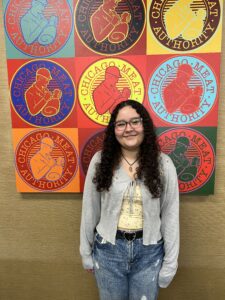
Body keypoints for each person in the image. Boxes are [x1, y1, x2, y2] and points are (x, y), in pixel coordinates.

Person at [80, 100, 179, 300]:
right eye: (121, 124)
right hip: (108, 251)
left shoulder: (164, 165)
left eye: (135, 121)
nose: (129, 129)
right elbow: (90, 209)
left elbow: (170, 214)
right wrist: (85, 251)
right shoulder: (100, 161)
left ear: (145, 126)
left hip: (149, 253)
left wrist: (171, 262)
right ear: (114, 130)